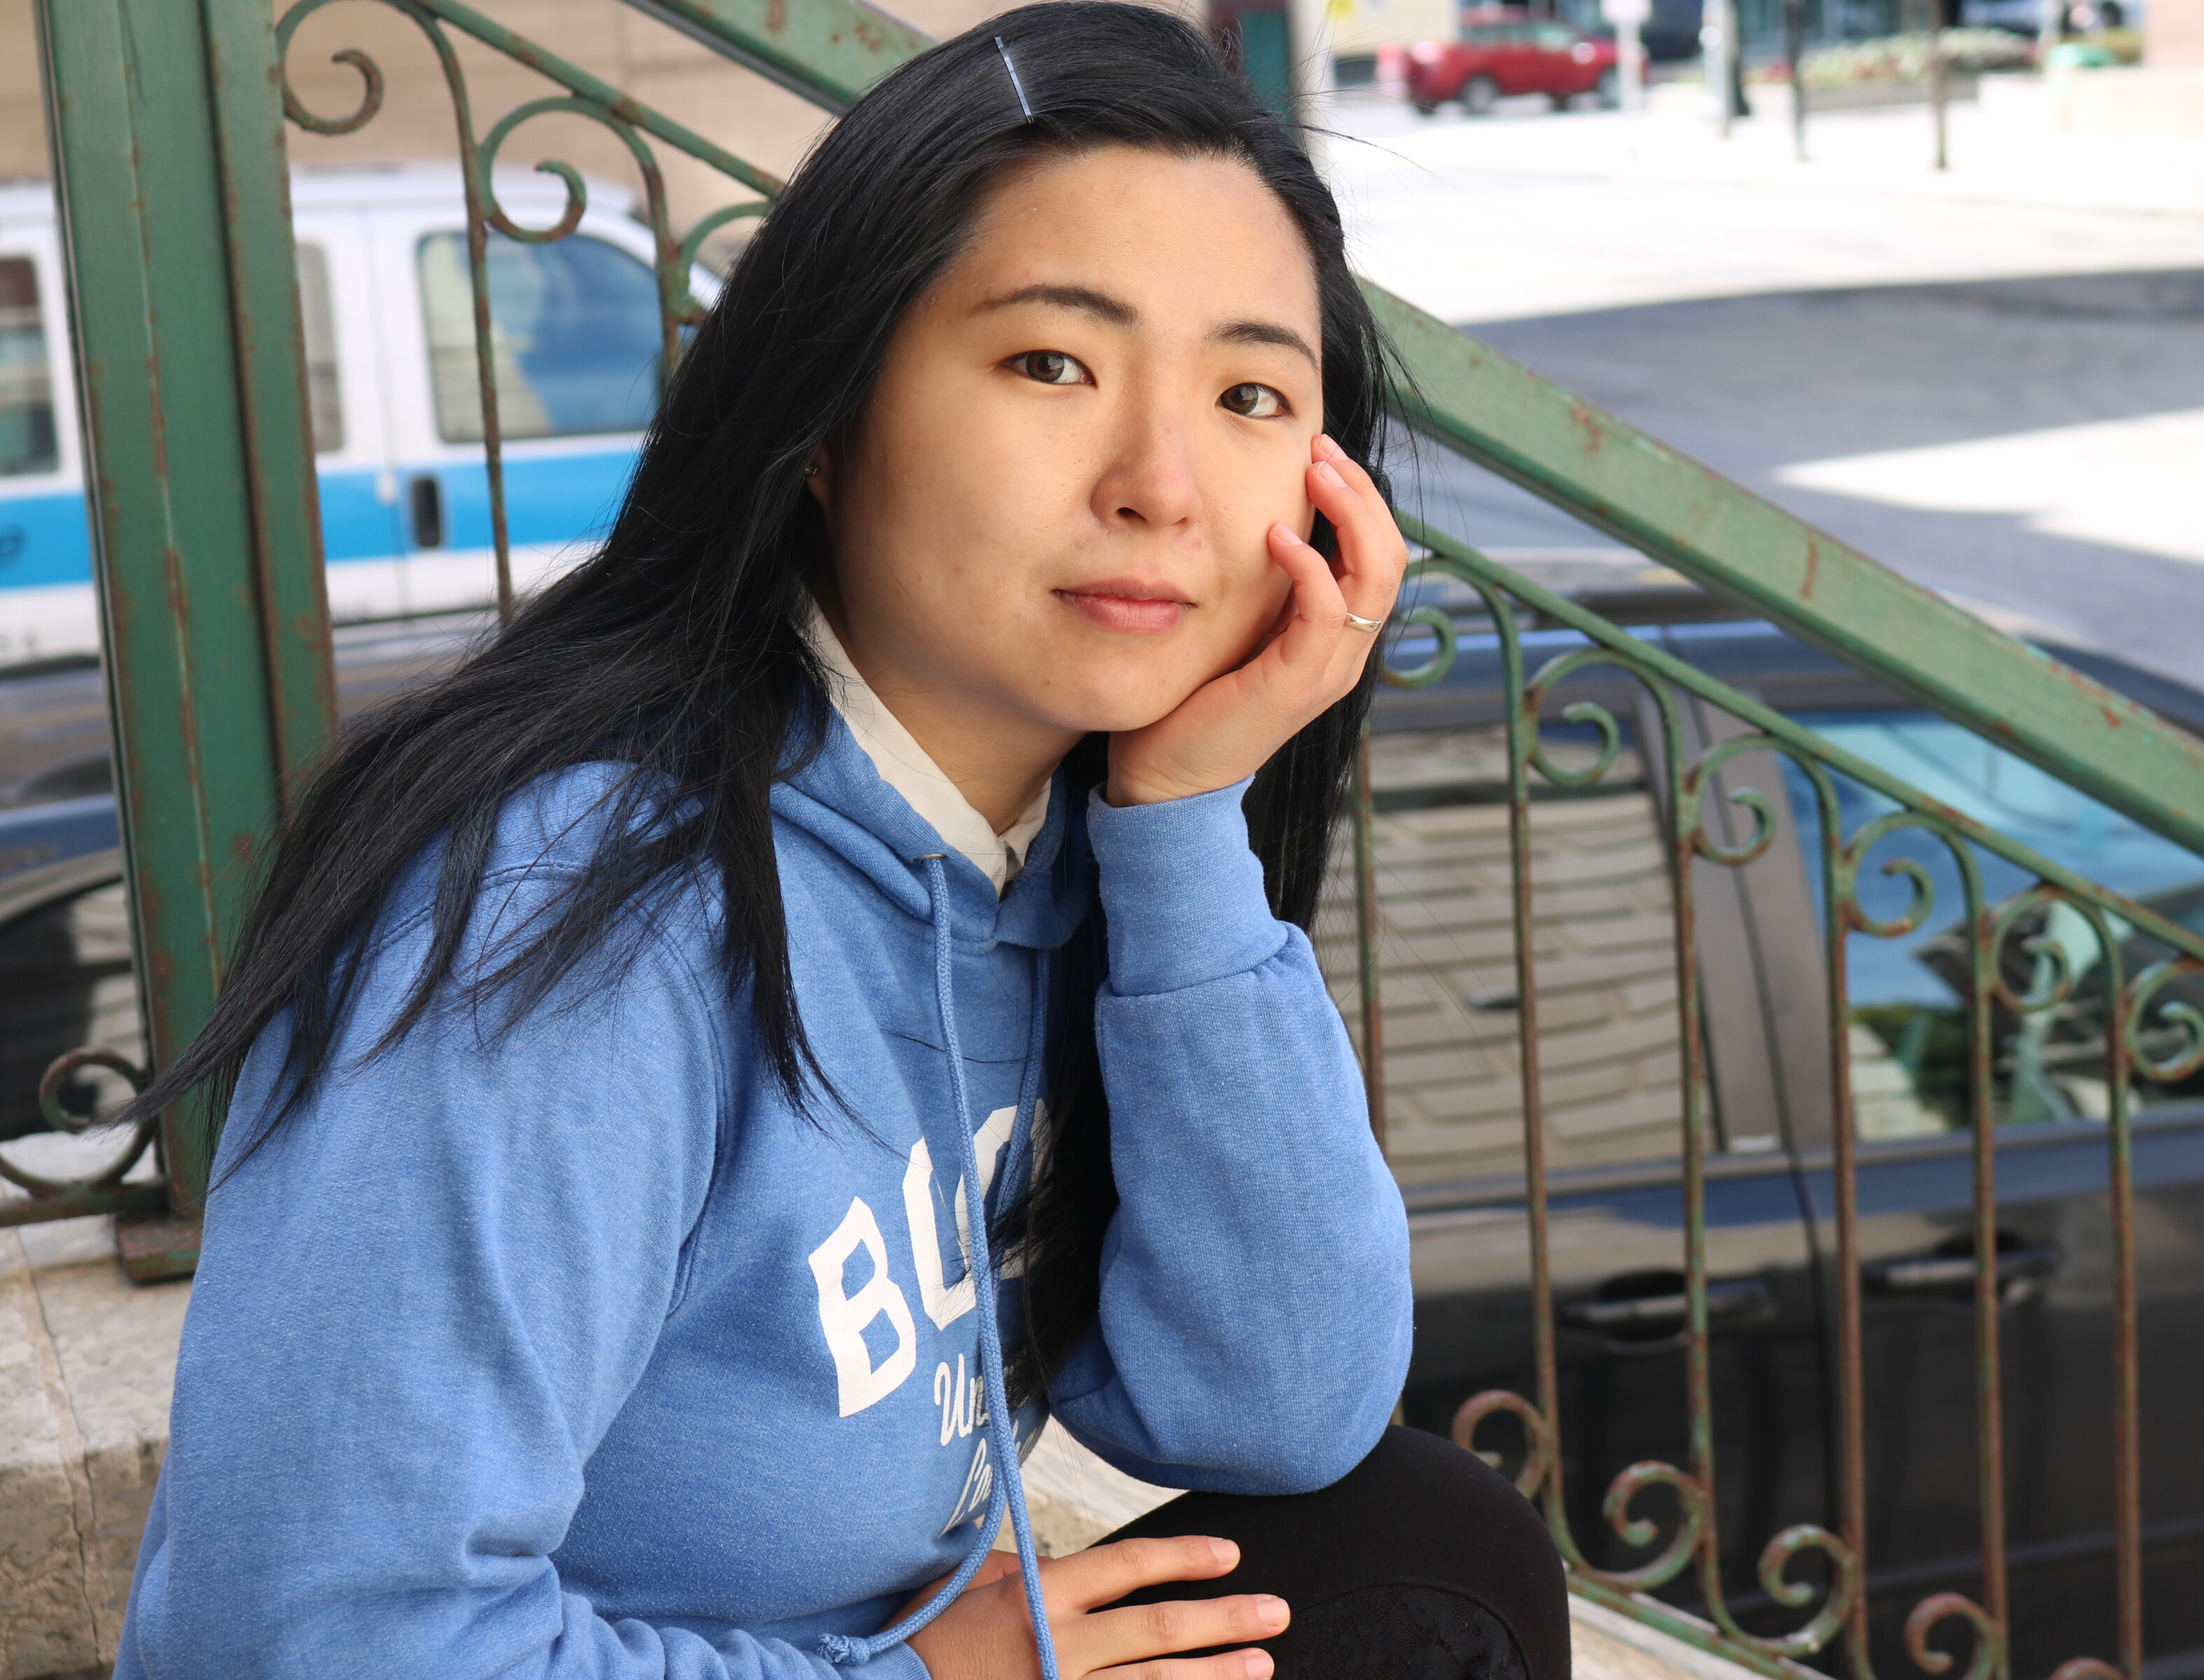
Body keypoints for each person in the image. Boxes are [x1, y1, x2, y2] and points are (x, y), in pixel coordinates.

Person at [114, 6, 1570, 1679]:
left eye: (1250, 394)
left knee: (1425, 1551)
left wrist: (1181, 829)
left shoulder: (1053, 847)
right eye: (1052, 364)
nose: (1163, 482)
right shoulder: (574, 918)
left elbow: (1281, 1406)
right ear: (824, 414)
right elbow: (303, 1639)